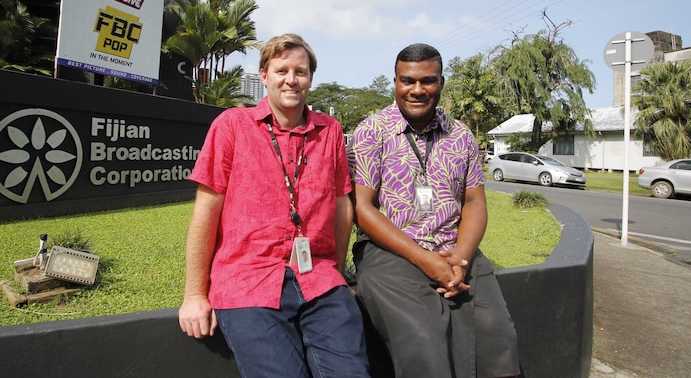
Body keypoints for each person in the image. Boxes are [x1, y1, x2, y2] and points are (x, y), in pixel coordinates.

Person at [178, 33, 370, 377]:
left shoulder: (330, 130)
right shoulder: (232, 125)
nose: (291, 80)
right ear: (264, 75)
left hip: (320, 280)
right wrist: (194, 295)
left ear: (311, 77)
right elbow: (206, 211)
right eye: (282, 70)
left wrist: (337, 274)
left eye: (301, 71)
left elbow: (343, 207)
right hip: (248, 281)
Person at [348, 42, 520, 377]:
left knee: (497, 340)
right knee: (423, 341)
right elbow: (363, 208)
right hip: (389, 251)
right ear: (395, 82)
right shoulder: (373, 131)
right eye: (406, 81)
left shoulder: (461, 136)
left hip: (455, 249)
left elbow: (474, 201)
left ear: (441, 83)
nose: (416, 90)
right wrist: (424, 260)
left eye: (427, 81)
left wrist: (460, 258)